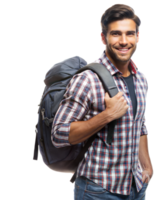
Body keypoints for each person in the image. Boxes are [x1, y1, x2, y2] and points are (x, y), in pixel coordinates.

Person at [51, 3, 153, 200]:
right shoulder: (88, 79)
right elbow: (59, 133)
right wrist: (107, 116)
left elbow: (140, 123)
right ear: (102, 38)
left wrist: (147, 164)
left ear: (138, 36)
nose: (124, 41)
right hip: (97, 190)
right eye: (116, 34)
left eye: (129, 34)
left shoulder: (142, 79)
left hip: (137, 187)